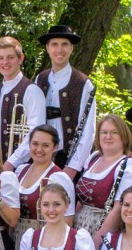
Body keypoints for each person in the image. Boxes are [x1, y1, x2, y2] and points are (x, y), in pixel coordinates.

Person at [33, 24, 96, 178]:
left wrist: (73, 168)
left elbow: (88, 131)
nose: (59, 50)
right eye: (54, 44)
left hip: (69, 159)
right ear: (47, 48)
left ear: (71, 48)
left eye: (64, 44)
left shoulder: (83, 83)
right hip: (40, 156)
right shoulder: (39, 79)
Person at [0, 35, 46, 171]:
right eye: (0, 58)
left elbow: (35, 133)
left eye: (10, 57)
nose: (5, 62)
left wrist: (11, 163)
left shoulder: (32, 91)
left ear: (20, 58)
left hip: (24, 168)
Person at [75, 113, 132, 235]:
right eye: (104, 132)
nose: (108, 136)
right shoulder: (94, 158)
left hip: (105, 230)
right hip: (79, 227)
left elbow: (118, 209)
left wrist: (98, 240)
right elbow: (81, 201)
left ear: (123, 136)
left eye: (114, 132)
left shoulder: (130, 165)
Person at [14, 125, 76, 243]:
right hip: (14, 236)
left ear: (55, 147)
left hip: (42, 239)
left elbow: (67, 221)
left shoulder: (59, 178)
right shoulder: (20, 171)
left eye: (45, 145)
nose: (39, 149)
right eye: (35, 144)